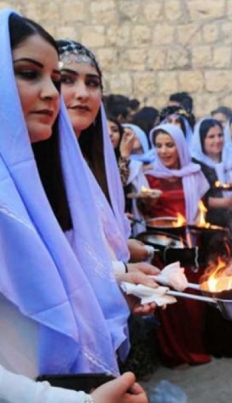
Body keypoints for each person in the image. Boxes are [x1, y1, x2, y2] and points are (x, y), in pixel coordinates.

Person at [0, 10, 148, 402]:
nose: (52, 94)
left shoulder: (20, 189)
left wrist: (116, 281)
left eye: (55, 79)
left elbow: (31, 294)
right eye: (28, 73)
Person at [57, 39, 155, 268]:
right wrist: (120, 271)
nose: (82, 93)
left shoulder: (92, 163)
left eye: (92, 83)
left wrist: (122, 247)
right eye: (67, 80)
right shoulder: (36, 167)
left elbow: (95, 240)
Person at [142, 123, 212, 366]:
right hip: (161, 243)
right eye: (159, 145)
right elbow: (141, 211)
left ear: (180, 146)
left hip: (190, 242)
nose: (164, 151)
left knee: (193, 299)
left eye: (169, 145)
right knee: (171, 301)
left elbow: (203, 209)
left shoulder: (195, 173)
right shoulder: (148, 176)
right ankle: (174, 353)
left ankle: (195, 347)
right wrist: (146, 203)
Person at [189, 117, 232, 227]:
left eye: (220, 135)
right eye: (211, 137)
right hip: (209, 223)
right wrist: (221, 203)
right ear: (201, 140)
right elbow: (192, 196)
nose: (217, 140)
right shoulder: (194, 165)